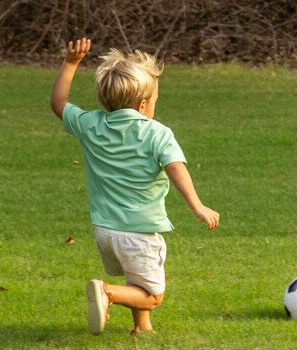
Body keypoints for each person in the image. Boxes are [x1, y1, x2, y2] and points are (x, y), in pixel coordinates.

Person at [51, 39, 219, 335]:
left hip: (104, 230)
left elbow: (59, 104)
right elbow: (176, 168)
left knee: (136, 277)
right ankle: (107, 293)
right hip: (138, 232)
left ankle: (142, 328)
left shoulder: (92, 125)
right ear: (143, 104)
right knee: (153, 295)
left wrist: (71, 62)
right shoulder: (157, 134)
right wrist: (198, 205)